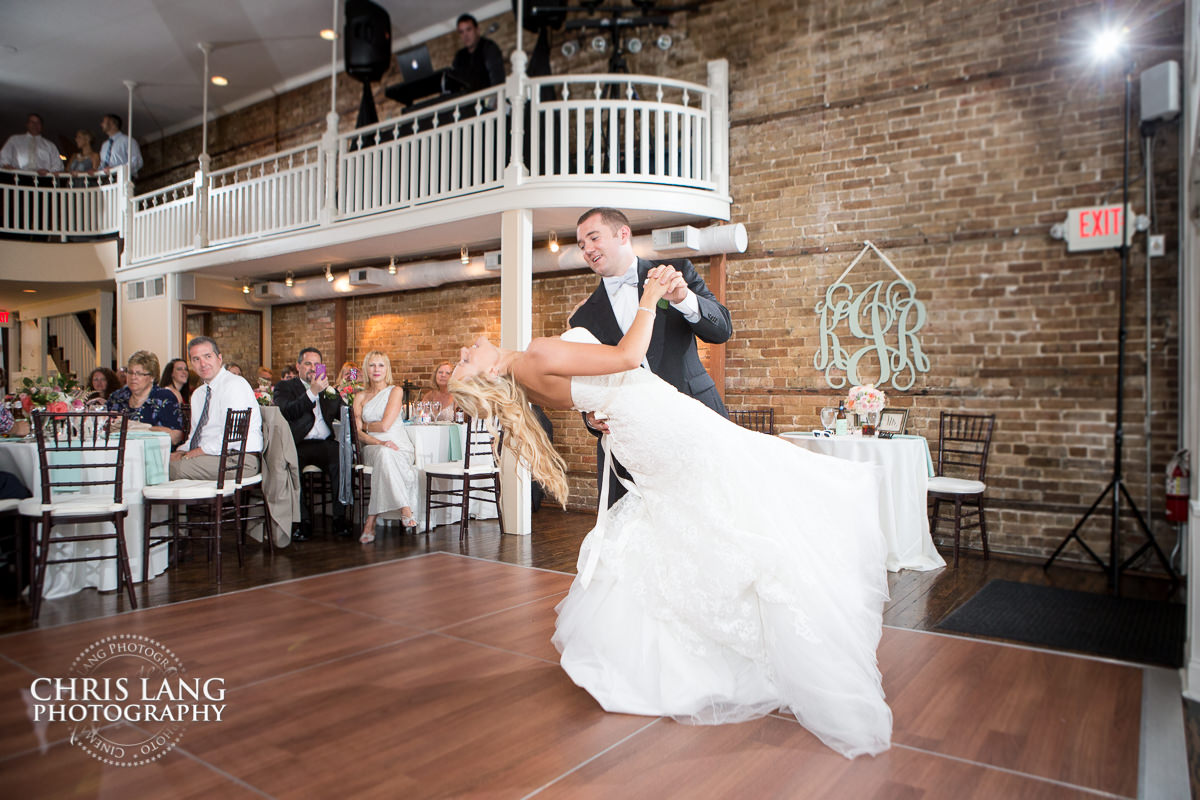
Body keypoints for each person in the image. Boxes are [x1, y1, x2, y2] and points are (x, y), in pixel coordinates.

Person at [448, 268, 891, 759]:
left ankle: (682, 659)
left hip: (638, 429)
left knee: (686, 518)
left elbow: (590, 394)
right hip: (659, 422)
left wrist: (598, 409)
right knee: (743, 490)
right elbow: (627, 356)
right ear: (488, 374)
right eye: (467, 360)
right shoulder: (534, 354)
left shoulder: (528, 381)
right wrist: (650, 297)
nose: (468, 350)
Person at [570, 207, 733, 508]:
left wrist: (685, 300)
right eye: (581, 245)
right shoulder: (583, 317)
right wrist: (590, 418)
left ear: (623, 234)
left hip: (694, 422)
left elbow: (722, 329)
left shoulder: (674, 273)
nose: (587, 250)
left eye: (593, 238)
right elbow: (586, 381)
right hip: (630, 442)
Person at [274, 347, 349, 540]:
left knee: (342, 459)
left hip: (324, 443)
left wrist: (328, 393)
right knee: (291, 468)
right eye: (308, 364)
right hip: (298, 443)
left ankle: (340, 518)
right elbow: (287, 411)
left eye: (317, 364)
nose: (312, 368)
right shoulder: (285, 387)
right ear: (298, 366)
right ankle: (302, 522)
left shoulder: (327, 388)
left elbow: (340, 411)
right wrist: (312, 393)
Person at [170, 336, 263, 481]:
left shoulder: (235, 385)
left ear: (219, 358)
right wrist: (182, 450)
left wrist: (195, 453)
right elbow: (196, 435)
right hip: (209, 457)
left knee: (172, 469)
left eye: (208, 356)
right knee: (161, 463)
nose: (203, 363)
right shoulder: (198, 394)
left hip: (238, 459)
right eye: (196, 359)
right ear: (192, 365)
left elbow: (232, 434)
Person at [353, 351, 418, 543]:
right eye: (372, 365)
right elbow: (358, 433)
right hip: (373, 446)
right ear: (366, 368)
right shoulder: (360, 397)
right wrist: (379, 441)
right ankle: (405, 508)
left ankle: (370, 520)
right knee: (383, 453)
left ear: (387, 369)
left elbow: (384, 426)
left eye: (381, 365)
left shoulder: (395, 391)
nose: (376, 370)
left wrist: (365, 425)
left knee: (387, 456)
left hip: (399, 445)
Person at [106, 351, 184, 445]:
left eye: (139, 373)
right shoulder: (117, 397)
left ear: (152, 377)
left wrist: (139, 427)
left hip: (153, 451)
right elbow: (103, 426)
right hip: (117, 450)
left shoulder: (163, 398)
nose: (133, 377)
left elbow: (176, 436)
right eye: (130, 372)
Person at [451, 14, 505, 93]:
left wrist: (494, 99)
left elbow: (497, 77)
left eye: (469, 30)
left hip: (488, 98)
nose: (465, 35)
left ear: (477, 30)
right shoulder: (460, 56)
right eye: (461, 32)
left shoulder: (488, 47)